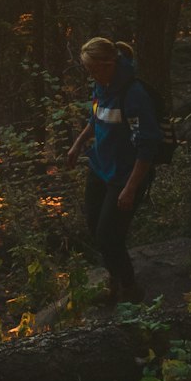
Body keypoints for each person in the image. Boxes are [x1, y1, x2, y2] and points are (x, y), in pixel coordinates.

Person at [67, 37, 163, 304]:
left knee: (109, 236)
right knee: (94, 227)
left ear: (109, 64)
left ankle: (129, 288)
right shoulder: (102, 85)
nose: (91, 75)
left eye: (94, 70)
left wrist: (131, 188)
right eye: (89, 71)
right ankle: (114, 278)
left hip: (124, 176)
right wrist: (77, 145)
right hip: (100, 167)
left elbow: (147, 146)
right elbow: (95, 120)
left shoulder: (133, 95)